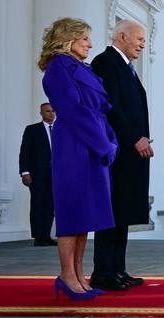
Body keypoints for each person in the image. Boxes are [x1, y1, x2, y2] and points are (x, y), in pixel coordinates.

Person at [38, 17, 118, 300]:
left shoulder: (80, 68)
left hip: (92, 142)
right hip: (74, 144)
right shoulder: (59, 68)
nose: (90, 44)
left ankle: (78, 274)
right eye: (85, 38)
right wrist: (103, 144)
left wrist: (110, 141)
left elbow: (100, 110)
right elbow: (73, 111)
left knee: (86, 214)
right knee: (72, 212)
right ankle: (66, 276)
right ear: (68, 38)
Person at [90, 19, 152, 291]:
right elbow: (110, 107)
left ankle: (118, 269)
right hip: (118, 152)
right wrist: (133, 138)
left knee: (123, 212)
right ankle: (103, 272)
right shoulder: (105, 62)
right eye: (139, 38)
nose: (142, 44)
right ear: (122, 36)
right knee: (112, 211)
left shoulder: (127, 68)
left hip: (130, 153)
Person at [18, 103, 57, 247]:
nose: (51, 114)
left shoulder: (61, 130)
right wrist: (25, 172)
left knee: (51, 205)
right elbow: (25, 152)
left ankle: (46, 235)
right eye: (48, 111)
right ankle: (38, 236)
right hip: (37, 174)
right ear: (41, 113)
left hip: (57, 175)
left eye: (53, 111)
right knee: (37, 204)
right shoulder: (32, 130)